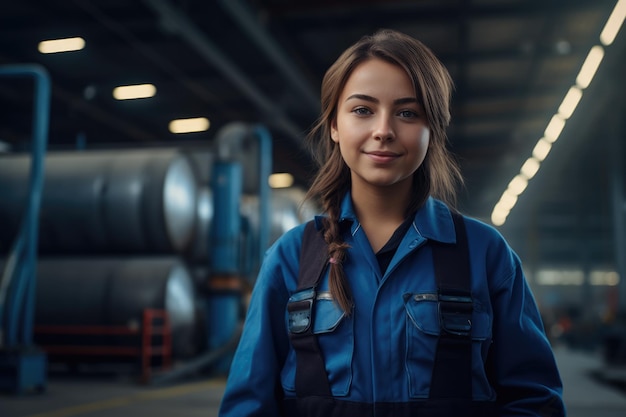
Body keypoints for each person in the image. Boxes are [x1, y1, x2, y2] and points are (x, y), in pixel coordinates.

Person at [218, 29, 565, 416]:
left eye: (407, 113)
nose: (383, 130)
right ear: (334, 125)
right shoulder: (290, 258)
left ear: (432, 129)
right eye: (362, 110)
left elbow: (535, 402)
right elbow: (248, 405)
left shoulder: (485, 255)